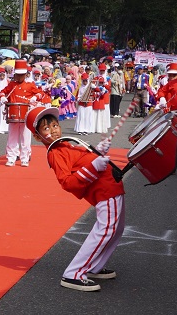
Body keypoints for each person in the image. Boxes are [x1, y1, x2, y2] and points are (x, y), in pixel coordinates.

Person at [27, 105, 124, 292]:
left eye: (55, 125)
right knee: (105, 231)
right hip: (104, 191)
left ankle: (94, 267)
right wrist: (94, 166)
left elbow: (81, 160)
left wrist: (97, 152)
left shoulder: (65, 144)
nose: (53, 130)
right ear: (38, 137)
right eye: (46, 128)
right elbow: (68, 183)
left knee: (115, 230)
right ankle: (74, 273)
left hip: (110, 187)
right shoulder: (55, 153)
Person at [1, 59, 42, 167]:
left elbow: (40, 94)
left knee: (25, 137)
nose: (19, 77)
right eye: (17, 75)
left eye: (21, 75)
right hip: (14, 113)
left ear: (25, 74)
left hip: (26, 113)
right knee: (12, 137)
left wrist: (34, 97)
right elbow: (2, 92)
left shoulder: (30, 84)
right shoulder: (12, 84)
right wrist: (2, 98)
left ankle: (25, 158)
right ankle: (11, 158)